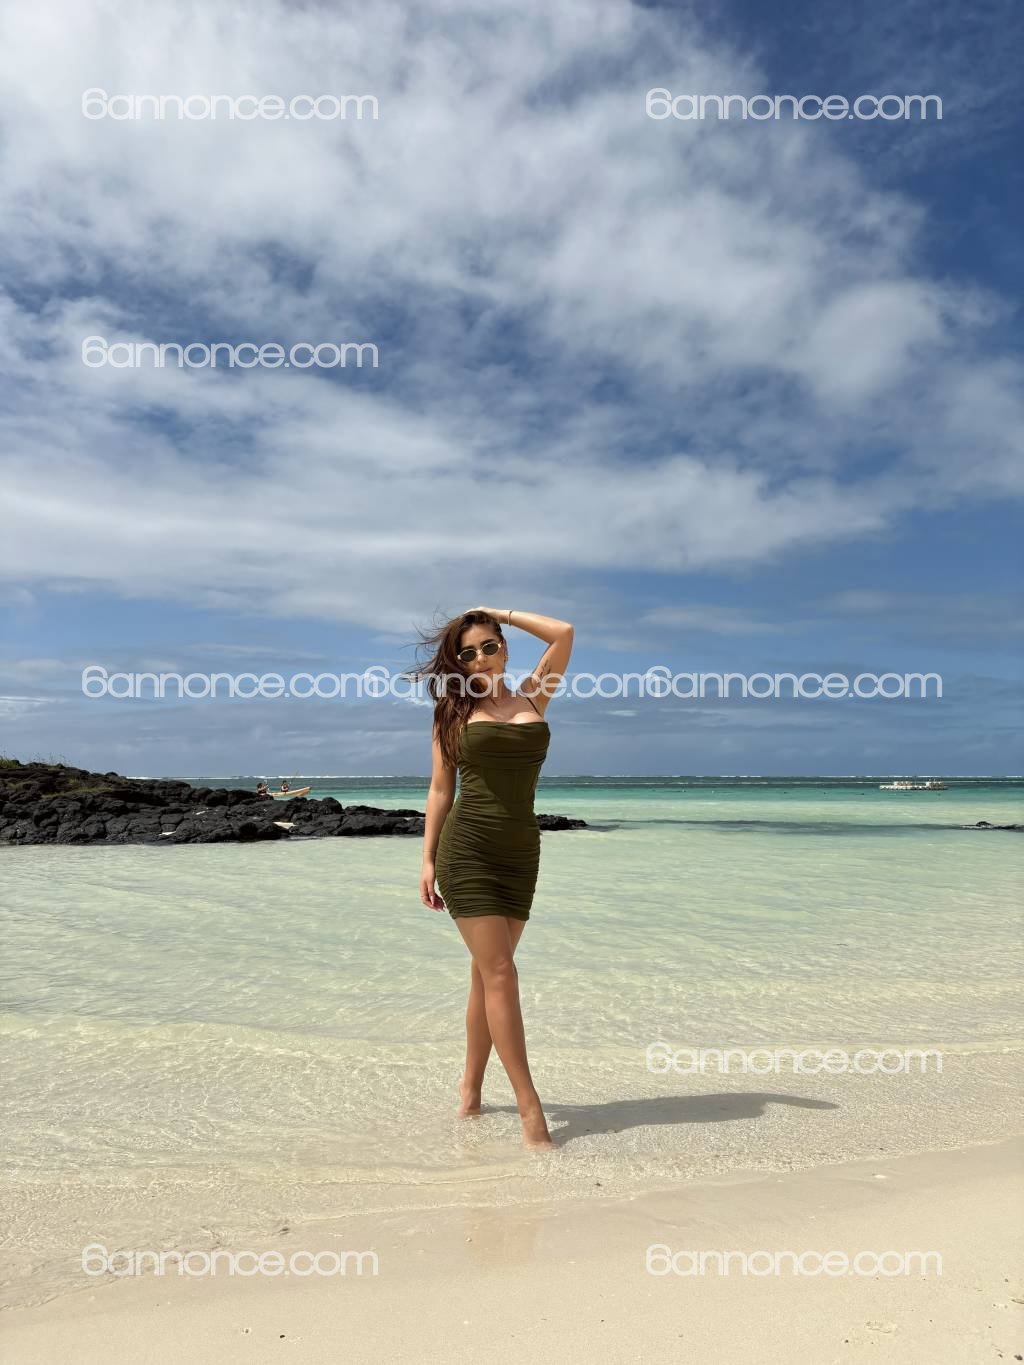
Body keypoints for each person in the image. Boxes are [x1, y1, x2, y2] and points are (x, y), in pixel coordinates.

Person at [412, 606, 574, 1150]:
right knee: (501, 972)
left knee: (487, 977)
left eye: (488, 645)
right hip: (468, 851)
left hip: (520, 853)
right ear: (457, 664)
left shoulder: (534, 696)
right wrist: (428, 859)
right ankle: (531, 1108)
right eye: (467, 653)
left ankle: (471, 1090)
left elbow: (563, 633)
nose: (479, 657)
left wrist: (496, 610)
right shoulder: (453, 712)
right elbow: (441, 789)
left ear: (504, 646)